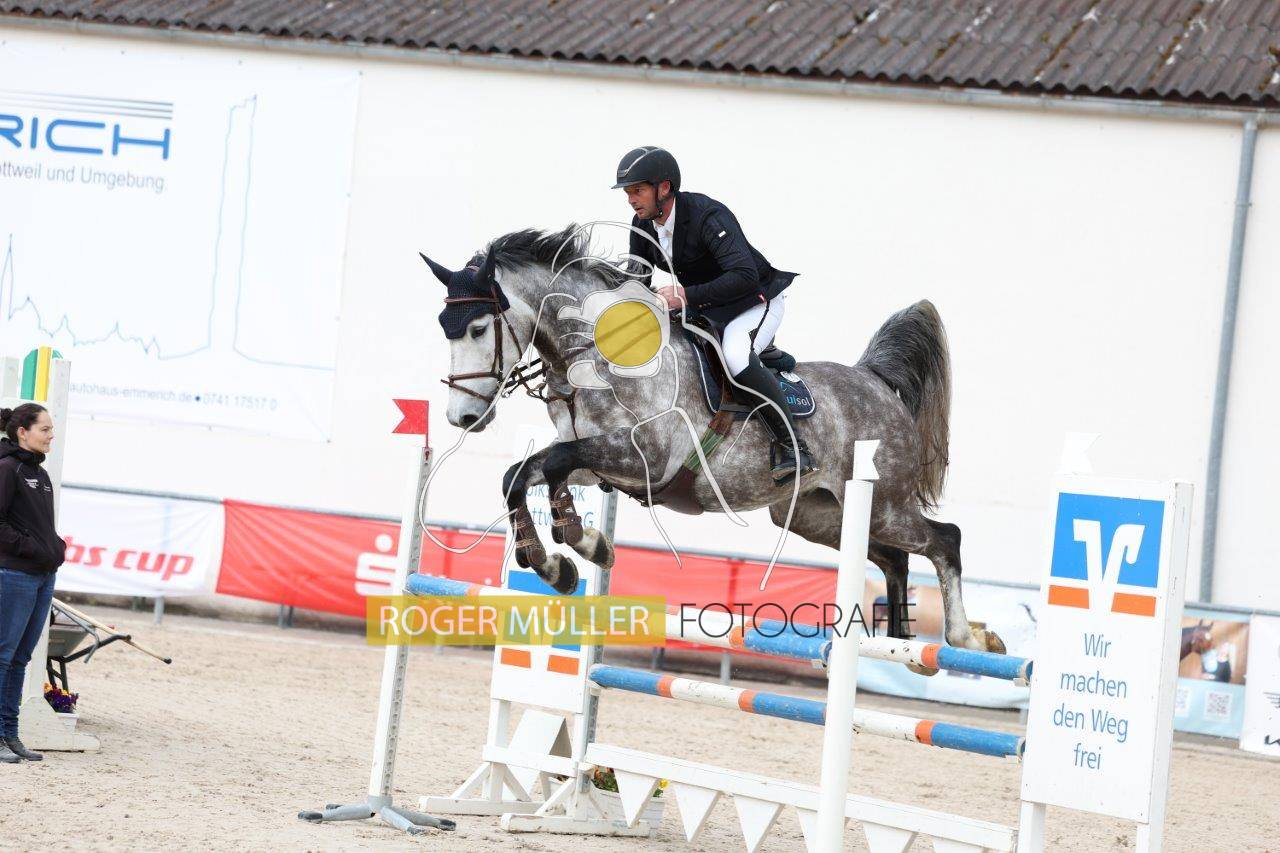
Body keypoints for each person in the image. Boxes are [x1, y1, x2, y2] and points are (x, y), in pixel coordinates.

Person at [612, 145, 816, 483]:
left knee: (735, 355)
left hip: (755, 301)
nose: (631, 200)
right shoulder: (642, 225)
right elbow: (637, 281)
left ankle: (793, 447)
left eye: (638, 191)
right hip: (708, 308)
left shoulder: (707, 216)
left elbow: (744, 276)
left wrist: (684, 296)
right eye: (628, 193)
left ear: (664, 188)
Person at [0, 403, 67, 763]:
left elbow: (41, 526)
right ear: (22, 432)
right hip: (14, 575)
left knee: (21, 659)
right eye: (45, 429)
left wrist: (55, 547)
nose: (51, 435)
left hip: (42, 576)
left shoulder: (40, 475)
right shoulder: (7, 469)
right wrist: (32, 549)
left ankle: (10, 733)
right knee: (3, 656)